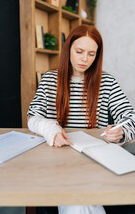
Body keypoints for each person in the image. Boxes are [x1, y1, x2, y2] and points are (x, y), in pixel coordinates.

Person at [27, 24, 135, 214]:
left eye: (91, 54)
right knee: (79, 202)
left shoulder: (106, 81)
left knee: (77, 202)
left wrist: (122, 132)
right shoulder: (50, 79)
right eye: (79, 51)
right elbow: (32, 116)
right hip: (58, 161)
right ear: (68, 49)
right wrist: (50, 129)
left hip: (95, 160)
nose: (85, 59)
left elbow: (130, 117)